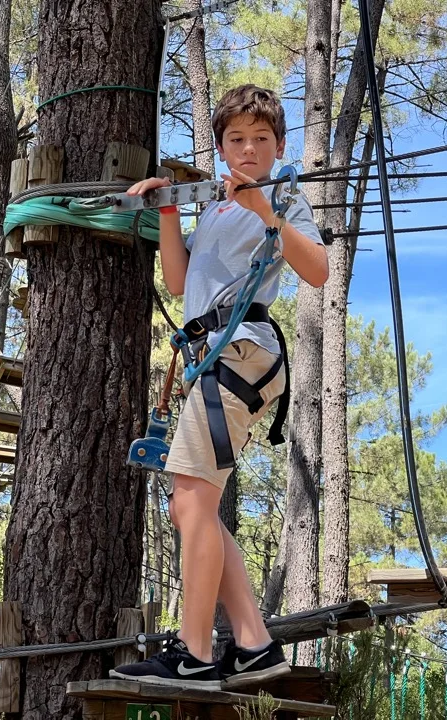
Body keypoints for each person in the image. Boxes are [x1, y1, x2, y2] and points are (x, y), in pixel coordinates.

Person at [110, 84, 328, 690]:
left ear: (280, 146)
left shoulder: (283, 194)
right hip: (210, 353)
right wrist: (170, 213)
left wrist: (266, 211)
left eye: (262, 139)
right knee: (194, 507)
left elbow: (318, 269)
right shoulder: (216, 204)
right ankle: (254, 644)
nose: (250, 149)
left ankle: (196, 653)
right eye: (237, 140)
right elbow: (181, 284)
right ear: (221, 146)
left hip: (240, 350)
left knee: (189, 502)